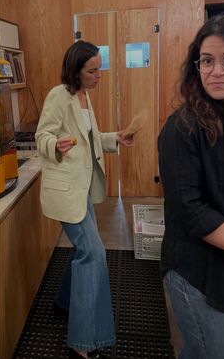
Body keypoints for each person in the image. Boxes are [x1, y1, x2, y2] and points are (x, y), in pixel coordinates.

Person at [35, 40, 134, 359]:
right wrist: (56, 145)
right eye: (93, 71)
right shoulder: (58, 95)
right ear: (76, 71)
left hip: (83, 189)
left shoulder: (84, 96)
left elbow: (89, 139)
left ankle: (65, 302)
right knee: (93, 254)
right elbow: (42, 137)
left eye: (99, 69)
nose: (98, 76)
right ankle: (82, 342)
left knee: (85, 250)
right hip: (66, 192)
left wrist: (114, 138)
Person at [158, 14, 224, 359]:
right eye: (207, 61)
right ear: (197, 67)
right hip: (197, 268)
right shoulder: (181, 128)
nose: (217, 70)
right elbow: (190, 209)